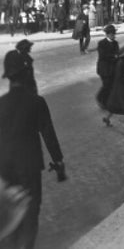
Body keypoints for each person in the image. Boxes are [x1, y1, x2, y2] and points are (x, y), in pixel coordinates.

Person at [0, 65, 66, 249]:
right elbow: (48, 134)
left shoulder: (1, 103)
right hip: (29, 165)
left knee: (10, 209)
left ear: (9, 79)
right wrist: (58, 160)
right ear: (26, 77)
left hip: (4, 166)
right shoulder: (36, 101)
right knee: (30, 211)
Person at [95, 24, 120, 110]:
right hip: (104, 69)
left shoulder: (116, 43)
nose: (113, 35)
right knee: (106, 85)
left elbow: (118, 54)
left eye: (114, 34)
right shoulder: (101, 43)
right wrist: (114, 56)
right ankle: (100, 98)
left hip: (112, 69)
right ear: (107, 34)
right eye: (112, 34)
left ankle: (107, 101)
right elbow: (102, 56)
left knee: (111, 85)